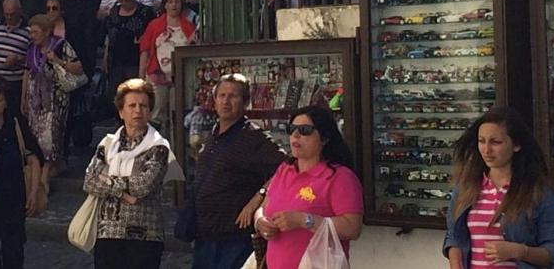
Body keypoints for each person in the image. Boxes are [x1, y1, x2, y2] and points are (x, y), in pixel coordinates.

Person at [443, 107, 554, 269]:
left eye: (496, 142)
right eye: (481, 141)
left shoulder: (540, 192)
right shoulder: (465, 188)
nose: (486, 150)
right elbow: (454, 237)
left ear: (516, 145)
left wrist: (521, 251)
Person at [83, 79, 183, 269]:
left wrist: (108, 181)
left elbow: (142, 186)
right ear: (121, 112)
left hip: (145, 237)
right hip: (108, 233)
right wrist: (123, 193)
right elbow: (89, 181)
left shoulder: (158, 147)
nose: (138, 110)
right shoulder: (108, 144)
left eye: (143, 106)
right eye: (132, 105)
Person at [190, 74, 285, 269]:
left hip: (234, 239)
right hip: (206, 236)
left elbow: (287, 167)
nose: (226, 101)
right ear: (214, 100)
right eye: (222, 95)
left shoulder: (252, 136)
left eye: (233, 96)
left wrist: (258, 198)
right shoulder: (215, 134)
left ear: (245, 102)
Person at [255, 105, 364, 269]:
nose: (296, 135)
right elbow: (264, 208)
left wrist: (303, 220)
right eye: (292, 129)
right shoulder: (284, 170)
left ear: (324, 138)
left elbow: (352, 228)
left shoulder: (340, 177)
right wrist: (260, 222)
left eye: (305, 130)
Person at [0, 77, 45, 269]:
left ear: (6, 103)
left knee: (14, 249)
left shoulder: (16, 124)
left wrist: (32, 192)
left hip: (14, 197)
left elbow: (33, 158)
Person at [22, 14, 83, 191]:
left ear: (46, 31)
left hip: (56, 97)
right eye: (31, 32)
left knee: (51, 136)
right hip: (36, 98)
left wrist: (56, 60)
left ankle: (45, 174)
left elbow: (77, 67)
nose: (32, 35)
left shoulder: (61, 45)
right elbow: (27, 73)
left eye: (35, 32)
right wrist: (23, 97)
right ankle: (44, 170)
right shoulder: (31, 48)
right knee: (36, 135)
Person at [138, 0, 196, 137]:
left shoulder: (189, 26)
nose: (174, 5)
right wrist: (141, 73)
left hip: (181, 77)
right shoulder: (154, 25)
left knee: (178, 112)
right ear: (164, 5)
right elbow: (145, 49)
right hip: (157, 75)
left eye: (177, 1)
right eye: (170, 2)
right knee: (156, 112)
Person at [102, 0, 155, 98]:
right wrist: (105, 57)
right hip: (116, 59)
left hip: (135, 59)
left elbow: (151, 35)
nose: (124, 3)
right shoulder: (114, 12)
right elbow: (109, 35)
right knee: (116, 94)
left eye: (127, 0)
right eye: (121, 0)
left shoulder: (145, 13)